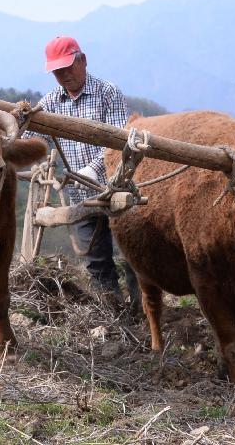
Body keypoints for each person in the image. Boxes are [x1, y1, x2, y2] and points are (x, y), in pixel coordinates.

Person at [24, 36, 137, 308]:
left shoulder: (108, 92)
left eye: (68, 68)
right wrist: (12, 134)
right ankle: (114, 317)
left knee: (133, 257)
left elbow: (120, 143)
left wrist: (93, 170)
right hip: (80, 195)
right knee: (96, 262)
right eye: (57, 71)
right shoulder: (51, 102)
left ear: (83, 60)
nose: (64, 76)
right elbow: (32, 139)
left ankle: (143, 311)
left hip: (116, 187)